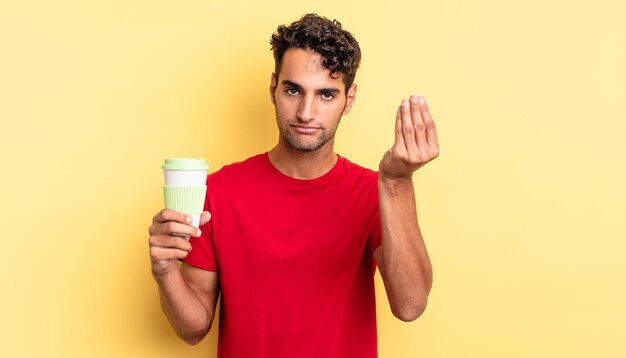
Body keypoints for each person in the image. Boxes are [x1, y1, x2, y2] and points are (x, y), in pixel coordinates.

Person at [148, 13, 439, 357]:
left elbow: (410, 305)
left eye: (326, 95)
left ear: (350, 99)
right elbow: (193, 328)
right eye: (293, 90)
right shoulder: (218, 191)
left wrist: (396, 183)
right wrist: (165, 270)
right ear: (273, 88)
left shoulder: (374, 193)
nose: (306, 112)